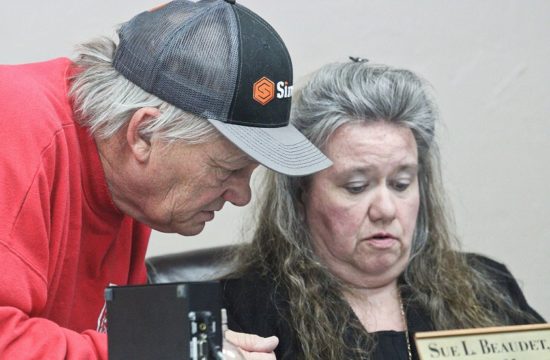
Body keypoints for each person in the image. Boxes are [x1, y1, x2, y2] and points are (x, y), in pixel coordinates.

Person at [0, 0, 331, 358]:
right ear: (143, 133)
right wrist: (175, 351)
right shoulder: (13, 125)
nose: (241, 196)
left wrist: (204, 347)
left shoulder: (127, 184)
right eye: (228, 169)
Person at [222, 60, 545, 360]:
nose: (386, 210)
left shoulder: (487, 285)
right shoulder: (244, 311)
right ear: (301, 193)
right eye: (357, 187)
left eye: (402, 184)